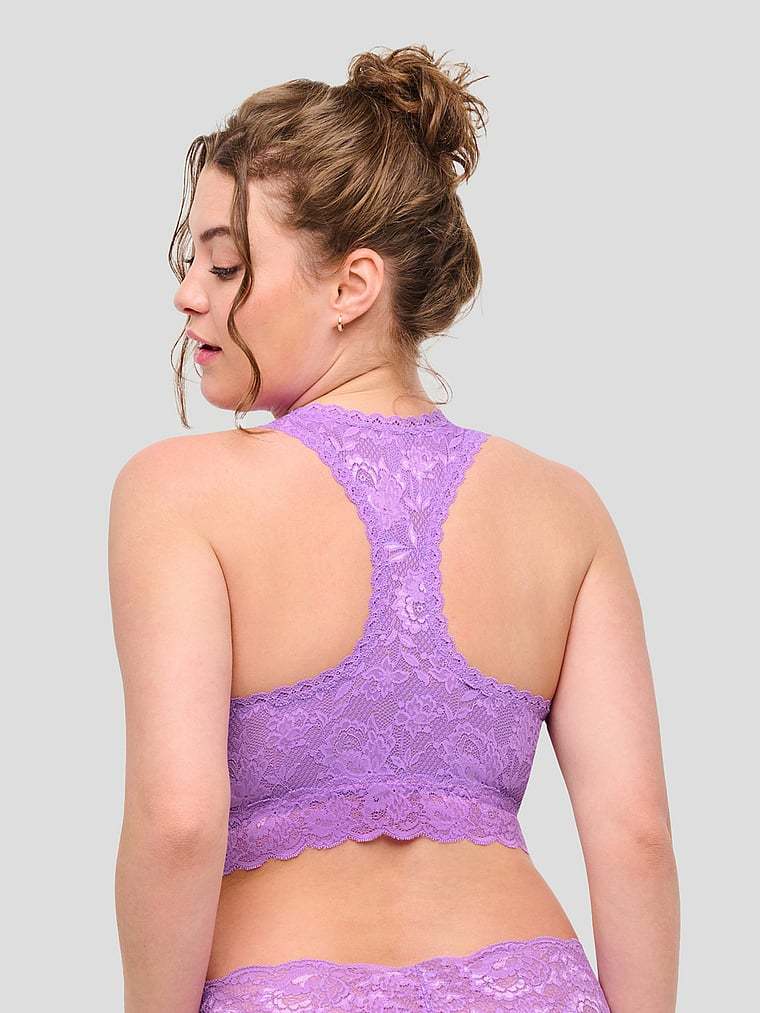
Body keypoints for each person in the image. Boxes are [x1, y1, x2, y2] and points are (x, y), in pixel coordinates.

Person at [109, 44, 680, 1013]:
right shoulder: (563, 508)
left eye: (226, 262)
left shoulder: (179, 492)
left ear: (352, 285)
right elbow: (635, 833)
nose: (189, 292)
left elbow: (177, 820)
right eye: (191, 261)